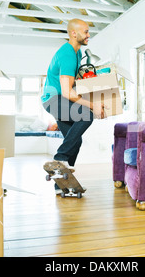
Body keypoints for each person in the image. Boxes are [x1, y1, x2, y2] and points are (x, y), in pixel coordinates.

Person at [41, 18, 105, 194]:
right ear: (73, 33)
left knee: (75, 140)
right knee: (87, 114)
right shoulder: (68, 54)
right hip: (53, 100)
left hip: (59, 99)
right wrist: (93, 106)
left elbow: (73, 84)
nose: (89, 35)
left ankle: (61, 183)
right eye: (85, 32)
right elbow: (67, 92)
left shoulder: (76, 53)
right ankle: (60, 158)